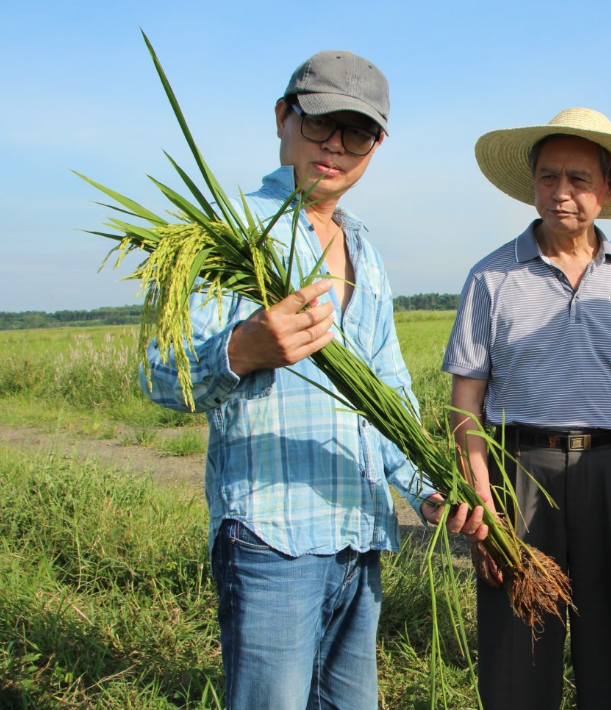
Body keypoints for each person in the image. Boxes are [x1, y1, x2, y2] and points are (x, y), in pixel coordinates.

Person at [140, 50, 481, 710]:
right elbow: (159, 373)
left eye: (356, 133)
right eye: (320, 122)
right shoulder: (226, 229)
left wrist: (424, 485)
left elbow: (388, 390)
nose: (334, 146)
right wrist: (243, 349)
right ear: (282, 118)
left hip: (359, 533)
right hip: (273, 537)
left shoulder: (365, 249)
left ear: (377, 145)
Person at [442, 107, 611, 710]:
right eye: (549, 177)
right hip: (520, 476)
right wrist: (483, 500)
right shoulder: (492, 277)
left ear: (607, 189)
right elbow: (466, 402)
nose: (562, 194)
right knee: (518, 653)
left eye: (579, 179)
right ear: (531, 184)